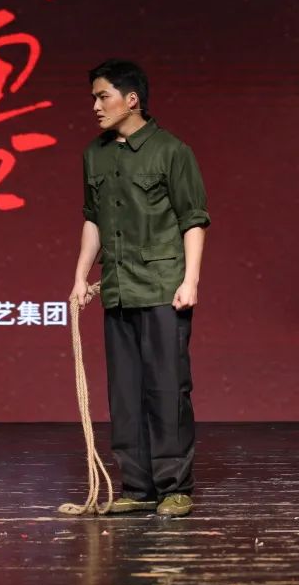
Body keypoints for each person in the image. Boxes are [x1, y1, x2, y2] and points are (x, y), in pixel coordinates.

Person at [70, 59, 210, 517]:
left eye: (103, 96)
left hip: (163, 288)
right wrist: (81, 277)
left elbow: (193, 219)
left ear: (132, 100)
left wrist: (190, 280)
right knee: (125, 393)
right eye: (93, 98)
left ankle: (174, 487)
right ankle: (137, 486)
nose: (95, 106)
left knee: (167, 389)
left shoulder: (171, 151)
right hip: (118, 289)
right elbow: (93, 219)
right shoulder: (95, 154)